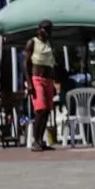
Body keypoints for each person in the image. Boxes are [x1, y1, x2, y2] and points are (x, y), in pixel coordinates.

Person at [25, 20, 58, 152]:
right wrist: (29, 83)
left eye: (50, 29)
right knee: (40, 109)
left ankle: (41, 140)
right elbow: (26, 64)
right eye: (45, 29)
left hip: (48, 79)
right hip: (36, 79)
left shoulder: (49, 44)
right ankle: (35, 140)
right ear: (39, 30)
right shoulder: (32, 42)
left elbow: (52, 64)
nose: (48, 32)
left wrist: (54, 82)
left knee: (47, 111)